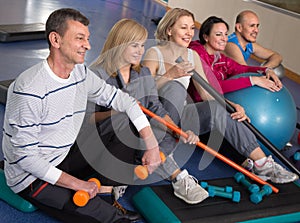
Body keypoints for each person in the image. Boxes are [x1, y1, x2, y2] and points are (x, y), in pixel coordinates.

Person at [1, 8, 163, 223]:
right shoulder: (29, 89)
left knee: (123, 121)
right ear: (56, 39)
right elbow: (27, 159)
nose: (87, 45)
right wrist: (78, 184)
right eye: (79, 38)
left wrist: (151, 146)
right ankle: (105, 210)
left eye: (87, 38)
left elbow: (125, 101)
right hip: (31, 175)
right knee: (112, 220)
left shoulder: (80, 72)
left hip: (64, 154)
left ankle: (105, 195)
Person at [142, 8, 298, 184]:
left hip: (181, 115)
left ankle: (262, 164)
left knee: (217, 108)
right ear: (169, 30)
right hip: (158, 118)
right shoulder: (154, 53)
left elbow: (207, 93)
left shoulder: (191, 55)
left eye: (192, 28)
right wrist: (170, 75)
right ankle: (164, 152)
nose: (189, 33)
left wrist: (231, 105)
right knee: (174, 88)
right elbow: (144, 95)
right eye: (183, 28)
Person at [87, 18, 209, 205]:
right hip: (105, 136)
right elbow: (87, 119)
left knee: (163, 131)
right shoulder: (97, 73)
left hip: (135, 135)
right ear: (119, 44)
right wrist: (121, 111)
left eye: (142, 45)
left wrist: (179, 131)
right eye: (134, 45)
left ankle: (130, 171)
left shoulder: (143, 73)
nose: (140, 51)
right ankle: (177, 176)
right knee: (131, 124)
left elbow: (156, 108)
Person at [188, 16, 282, 102]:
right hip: (199, 105)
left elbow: (242, 69)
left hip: (216, 101)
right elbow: (212, 86)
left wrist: (266, 69)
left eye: (225, 34)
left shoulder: (219, 57)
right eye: (218, 34)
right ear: (206, 37)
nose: (224, 39)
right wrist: (253, 80)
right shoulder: (197, 54)